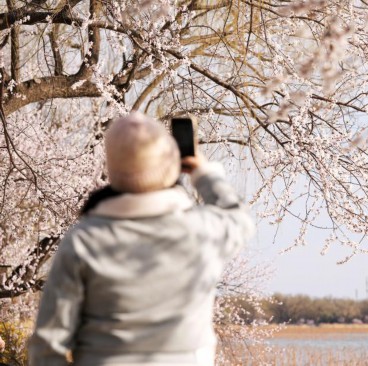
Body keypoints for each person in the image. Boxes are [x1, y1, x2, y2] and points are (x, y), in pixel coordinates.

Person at [27, 112, 254, 366]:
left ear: (113, 171)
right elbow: (238, 217)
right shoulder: (202, 230)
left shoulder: (84, 240)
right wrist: (204, 174)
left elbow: (48, 344)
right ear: (169, 166)